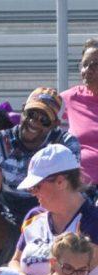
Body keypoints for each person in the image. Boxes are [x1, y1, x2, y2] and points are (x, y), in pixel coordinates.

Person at [0, 87, 81, 275]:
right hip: (9, 219)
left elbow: (69, 189)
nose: (34, 121)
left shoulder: (66, 143)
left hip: (50, 217)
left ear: (54, 124)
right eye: (31, 113)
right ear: (22, 111)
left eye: (43, 118)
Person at [11, 146, 98, 275]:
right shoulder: (34, 216)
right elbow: (15, 261)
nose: (32, 193)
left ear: (60, 182)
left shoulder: (94, 221)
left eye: (36, 186)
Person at [61, 38, 98, 184]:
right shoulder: (70, 98)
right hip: (81, 188)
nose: (87, 70)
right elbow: (38, 115)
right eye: (84, 65)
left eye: (94, 65)